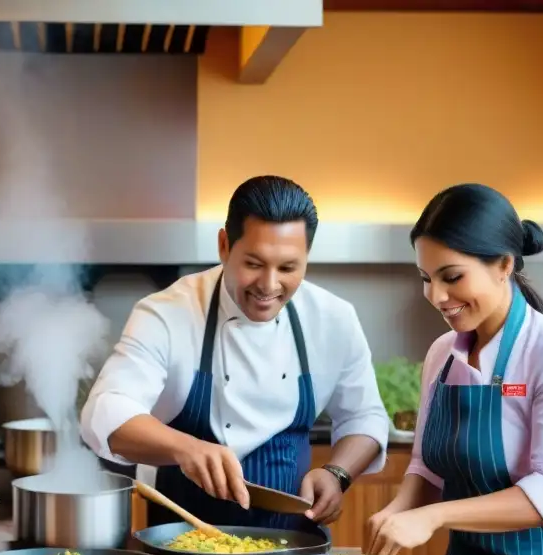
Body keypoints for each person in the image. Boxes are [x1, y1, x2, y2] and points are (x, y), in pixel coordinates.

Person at [80, 175, 390, 536]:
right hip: (179, 543)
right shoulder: (166, 313)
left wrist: (337, 474)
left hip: (290, 551)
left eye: (289, 268)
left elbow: (365, 417)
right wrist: (185, 448)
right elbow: (104, 412)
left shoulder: (333, 318)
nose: (269, 285)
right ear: (225, 245)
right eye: (254, 264)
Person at [367, 182, 543, 555]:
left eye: (451, 277)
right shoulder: (441, 354)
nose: (436, 295)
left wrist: (434, 516)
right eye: (426, 278)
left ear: (504, 264)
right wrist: (398, 511)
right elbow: (426, 467)